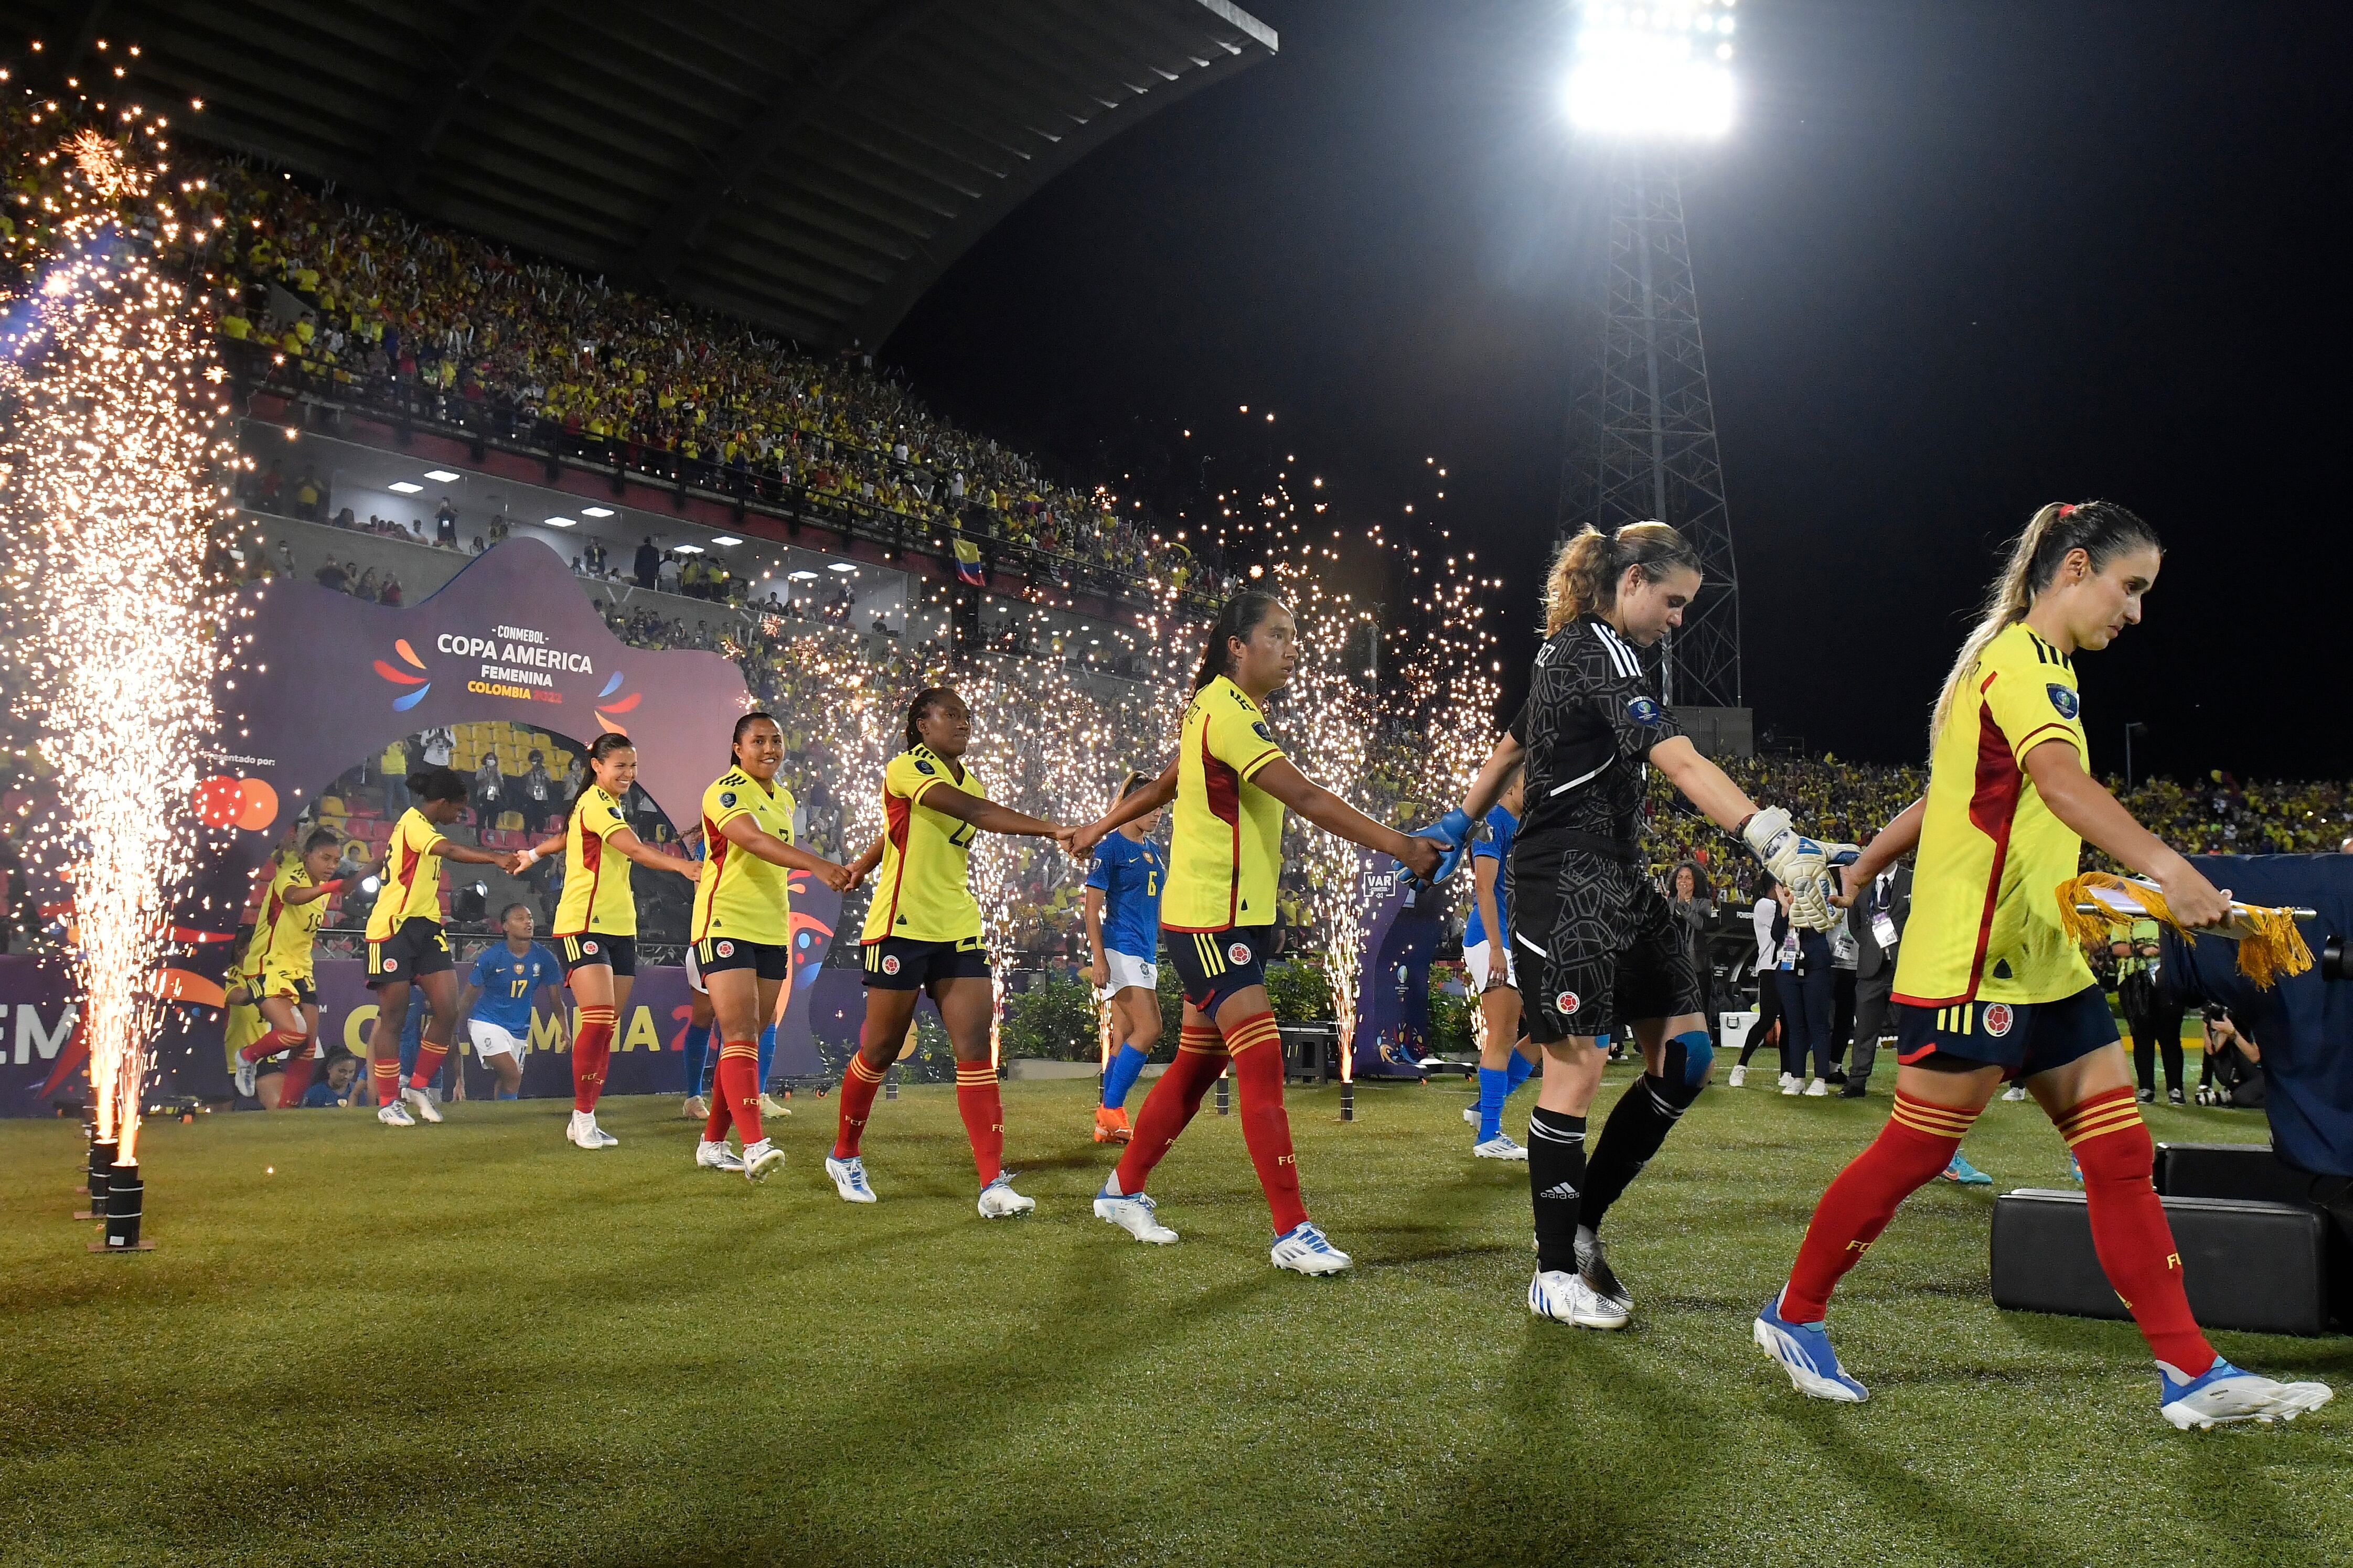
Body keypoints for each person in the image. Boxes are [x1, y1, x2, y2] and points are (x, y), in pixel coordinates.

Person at [1753, 500, 2333, 1430]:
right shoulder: (2022, 663)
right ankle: (1793, 1315)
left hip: (2045, 961)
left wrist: (1861, 866)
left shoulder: (2034, 666)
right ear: (2073, 567)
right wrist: (2169, 869)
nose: (2136, 612)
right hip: (1976, 961)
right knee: (1917, 1150)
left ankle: (2191, 1373)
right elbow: (2061, 787)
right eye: (2129, 587)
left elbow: (1949, 795)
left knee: (2121, 1154)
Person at [1424, 522, 1844, 1328]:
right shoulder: (1600, 650)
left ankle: (1579, 1225)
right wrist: (1768, 835)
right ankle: (1551, 1274)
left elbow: (1513, 741)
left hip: (1617, 872)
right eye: (1673, 600)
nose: (1678, 619)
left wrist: (1457, 819)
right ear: (1631, 581)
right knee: (1574, 1068)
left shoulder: (1565, 651)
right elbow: (1679, 759)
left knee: (1684, 1056)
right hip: (1566, 879)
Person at [1071, 592, 1445, 1272]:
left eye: (1295, 634)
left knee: (1195, 1065)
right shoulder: (1227, 711)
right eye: (1278, 634)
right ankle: (1290, 1229)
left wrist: (1097, 826)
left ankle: (1120, 1189)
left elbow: (1165, 785)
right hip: (1210, 920)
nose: (1292, 645)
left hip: (1231, 919)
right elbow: (1303, 796)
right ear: (1236, 645)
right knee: (1262, 1060)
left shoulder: (1215, 707)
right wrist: (1402, 845)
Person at [826, 689, 1068, 1217]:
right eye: (950, 715)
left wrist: (863, 864)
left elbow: (898, 828)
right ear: (921, 723)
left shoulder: (968, 778)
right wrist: (1051, 828)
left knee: (975, 1050)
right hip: (901, 925)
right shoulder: (906, 766)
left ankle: (991, 1182)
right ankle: (844, 1154)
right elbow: (974, 812)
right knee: (882, 1049)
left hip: (956, 925)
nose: (962, 723)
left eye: (966, 715)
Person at [519, 732, 702, 1147]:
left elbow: (570, 837)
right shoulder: (595, 802)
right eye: (620, 766)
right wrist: (683, 868)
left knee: (606, 1026)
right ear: (597, 766)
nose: (628, 774)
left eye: (633, 766)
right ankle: (582, 1116)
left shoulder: (608, 805)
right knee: (599, 1018)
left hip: (622, 927)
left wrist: (533, 854)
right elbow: (633, 850)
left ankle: (584, 1116)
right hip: (584, 922)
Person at [693, 713, 855, 1180]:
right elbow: (752, 840)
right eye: (758, 740)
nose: (769, 749)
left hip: (770, 930)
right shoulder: (724, 790)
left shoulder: (782, 798)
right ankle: (753, 1144)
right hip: (725, 923)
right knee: (741, 1032)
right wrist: (818, 865)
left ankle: (712, 1144)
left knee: (746, 1039)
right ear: (737, 748)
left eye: (776, 740)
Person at [363, 767, 521, 1127]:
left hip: (427, 928)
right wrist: (494, 857)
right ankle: (389, 1101)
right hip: (392, 929)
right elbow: (448, 849)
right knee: (394, 1019)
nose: (459, 817)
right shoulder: (414, 823)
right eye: (458, 810)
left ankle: (417, 1087)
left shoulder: (424, 826)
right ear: (443, 803)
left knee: (448, 1012)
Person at [229, 830, 346, 1109]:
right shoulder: (291, 877)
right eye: (325, 858)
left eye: (336, 860)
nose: (331, 865)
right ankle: (247, 1056)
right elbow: (293, 897)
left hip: (301, 969)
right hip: (268, 965)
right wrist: (327, 888)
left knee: (307, 1046)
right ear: (308, 856)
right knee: (294, 1033)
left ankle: (289, 1114)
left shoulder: (323, 887)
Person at [1083, 770, 1165, 1145]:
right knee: (1151, 1029)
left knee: (1124, 1036)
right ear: (1132, 806)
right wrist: (1099, 959)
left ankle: (1106, 1125)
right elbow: (1091, 908)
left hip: (1145, 950)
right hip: (1121, 948)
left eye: (1162, 807)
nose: (1159, 813)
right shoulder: (1110, 848)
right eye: (1151, 806)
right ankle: (1112, 1109)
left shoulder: (1154, 850)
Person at [1461, 765, 1539, 1159]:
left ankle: (1483, 1111)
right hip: (1493, 940)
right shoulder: (1492, 819)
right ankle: (1488, 1135)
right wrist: (1495, 947)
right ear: (1510, 786)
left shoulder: (1522, 822)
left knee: (1546, 1030)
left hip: (1515, 941)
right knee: (1504, 1034)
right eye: (1530, 781)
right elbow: (1483, 886)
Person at [452, 903, 566, 1101]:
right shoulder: (491, 957)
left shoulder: (545, 958)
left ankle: (501, 1119)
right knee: (513, 1074)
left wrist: (565, 1028)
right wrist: (452, 1027)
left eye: (529, 918)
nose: (528, 922)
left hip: (519, 1029)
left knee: (510, 1080)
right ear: (506, 927)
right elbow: (468, 997)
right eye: (520, 918)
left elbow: (556, 999)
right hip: (486, 1022)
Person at [1842, 851, 1910, 1098]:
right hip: (1871, 971)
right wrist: (1874, 948)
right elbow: (1855, 925)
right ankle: (1857, 1081)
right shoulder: (1864, 886)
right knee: (1864, 1031)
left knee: (1910, 1029)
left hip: (1905, 969)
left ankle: (1910, 1086)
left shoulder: (1912, 880)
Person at [2116, 918, 2188, 1105]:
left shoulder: (2167, 916)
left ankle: (2176, 1089)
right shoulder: (2126, 917)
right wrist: (2141, 950)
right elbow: (2117, 948)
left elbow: (2183, 943)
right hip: (2135, 982)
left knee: (2170, 1036)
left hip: (2167, 980)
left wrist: (2158, 950)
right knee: (2141, 1037)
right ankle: (2146, 1087)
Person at [1728, 874, 1782, 1087]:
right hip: (1770, 967)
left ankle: (1786, 1072)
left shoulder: (1776, 904)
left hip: (1787, 966)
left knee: (1788, 1021)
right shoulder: (1765, 905)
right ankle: (1740, 1066)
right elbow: (1783, 925)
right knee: (1767, 1019)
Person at [2195, 1005, 2265, 1108]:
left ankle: (2282, 1101)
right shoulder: (2239, 1016)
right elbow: (2213, 1052)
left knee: (2242, 1098)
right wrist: (2208, 1024)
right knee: (2225, 1068)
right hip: (2258, 1071)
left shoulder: (2263, 1017)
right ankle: (2231, 1094)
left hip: (2276, 1073)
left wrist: (2233, 1033)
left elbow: (2255, 1057)